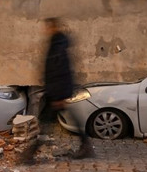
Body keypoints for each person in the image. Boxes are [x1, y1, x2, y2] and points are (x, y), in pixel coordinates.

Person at [19, 17, 93, 164]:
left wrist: (58, 96)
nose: (46, 30)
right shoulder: (56, 44)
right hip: (56, 91)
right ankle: (86, 146)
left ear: (53, 28)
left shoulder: (57, 46)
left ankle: (29, 155)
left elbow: (60, 71)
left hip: (57, 93)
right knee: (51, 123)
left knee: (45, 124)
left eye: (48, 27)